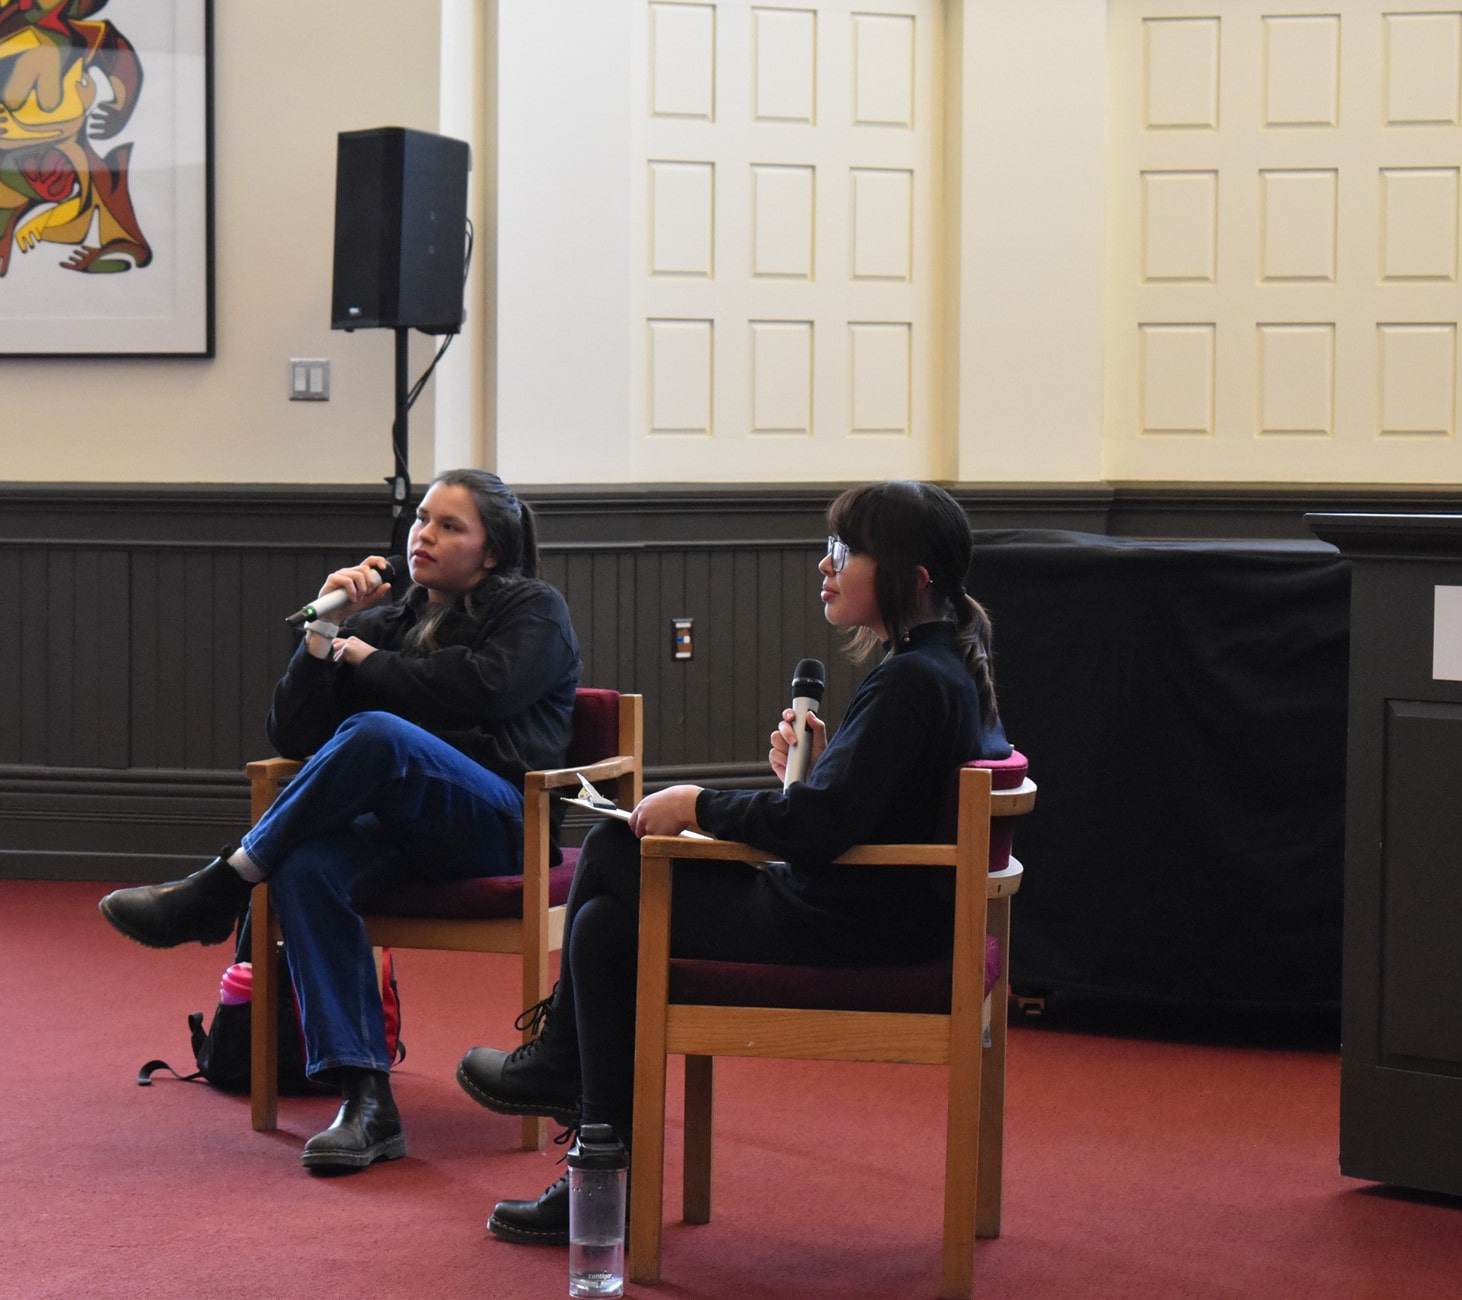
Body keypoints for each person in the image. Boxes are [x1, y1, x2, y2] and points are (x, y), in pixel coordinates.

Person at [455, 479, 1009, 1244]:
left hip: (851, 929)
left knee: (617, 845)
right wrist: (810, 772)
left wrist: (696, 803)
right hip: (877, 913)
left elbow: (817, 828)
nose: (826, 564)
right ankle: (593, 1159)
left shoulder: (914, 679)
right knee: (609, 931)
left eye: (846, 551)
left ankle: (566, 1078)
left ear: (912, 578)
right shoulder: (942, 668)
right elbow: (854, 808)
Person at [100, 469, 581, 1173]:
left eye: (451, 526)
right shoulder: (385, 620)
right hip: (402, 833)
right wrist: (324, 632)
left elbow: (485, 688)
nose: (425, 535)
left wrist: (367, 661)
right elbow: (292, 734)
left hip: (501, 825)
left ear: (492, 553)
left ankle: (222, 884)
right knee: (307, 864)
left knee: (379, 733)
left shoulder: (535, 610)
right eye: (423, 519)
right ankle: (366, 1102)